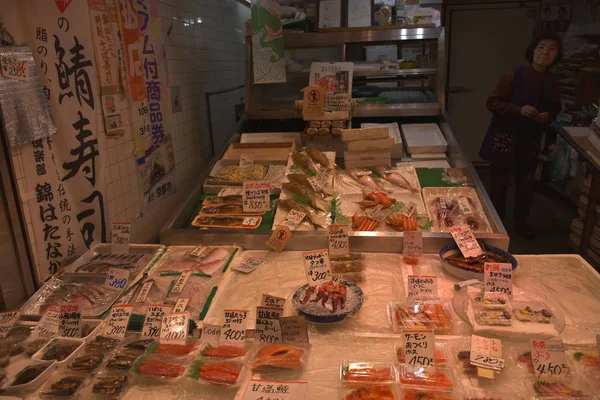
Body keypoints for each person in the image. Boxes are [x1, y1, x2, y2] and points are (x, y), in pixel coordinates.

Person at [479, 33, 562, 240]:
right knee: (499, 186)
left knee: (526, 186)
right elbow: (492, 103)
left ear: (557, 55)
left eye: (552, 49)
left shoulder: (552, 81)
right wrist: (518, 110)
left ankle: (521, 223)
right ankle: (496, 226)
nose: (546, 52)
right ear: (533, 50)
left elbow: (555, 108)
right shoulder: (514, 74)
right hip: (505, 139)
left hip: (530, 140)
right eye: (542, 47)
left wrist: (548, 115)